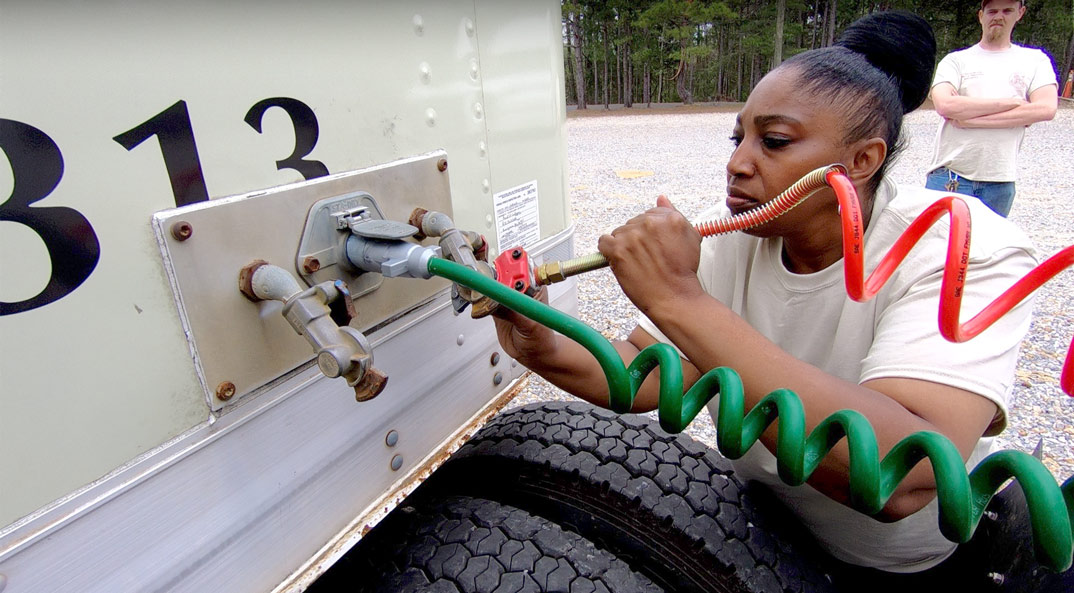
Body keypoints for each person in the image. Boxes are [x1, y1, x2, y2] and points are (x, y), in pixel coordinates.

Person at [493, 10, 1048, 587]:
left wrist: (680, 300)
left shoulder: (966, 249)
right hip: (765, 532)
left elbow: (903, 472)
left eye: (774, 141)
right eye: (738, 137)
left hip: (902, 567)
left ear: (862, 160)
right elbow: (651, 371)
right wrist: (542, 343)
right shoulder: (731, 237)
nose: (736, 163)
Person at [925, 0, 1058, 218]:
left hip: (1000, 181)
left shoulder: (1035, 60)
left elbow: (1046, 108)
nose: (998, 16)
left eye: (1007, 11)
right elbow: (945, 104)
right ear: (981, 15)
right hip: (950, 176)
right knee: (937, 248)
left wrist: (970, 119)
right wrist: (1013, 103)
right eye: (992, 11)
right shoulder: (956, 61)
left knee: (987, 251)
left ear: (1020, 13)